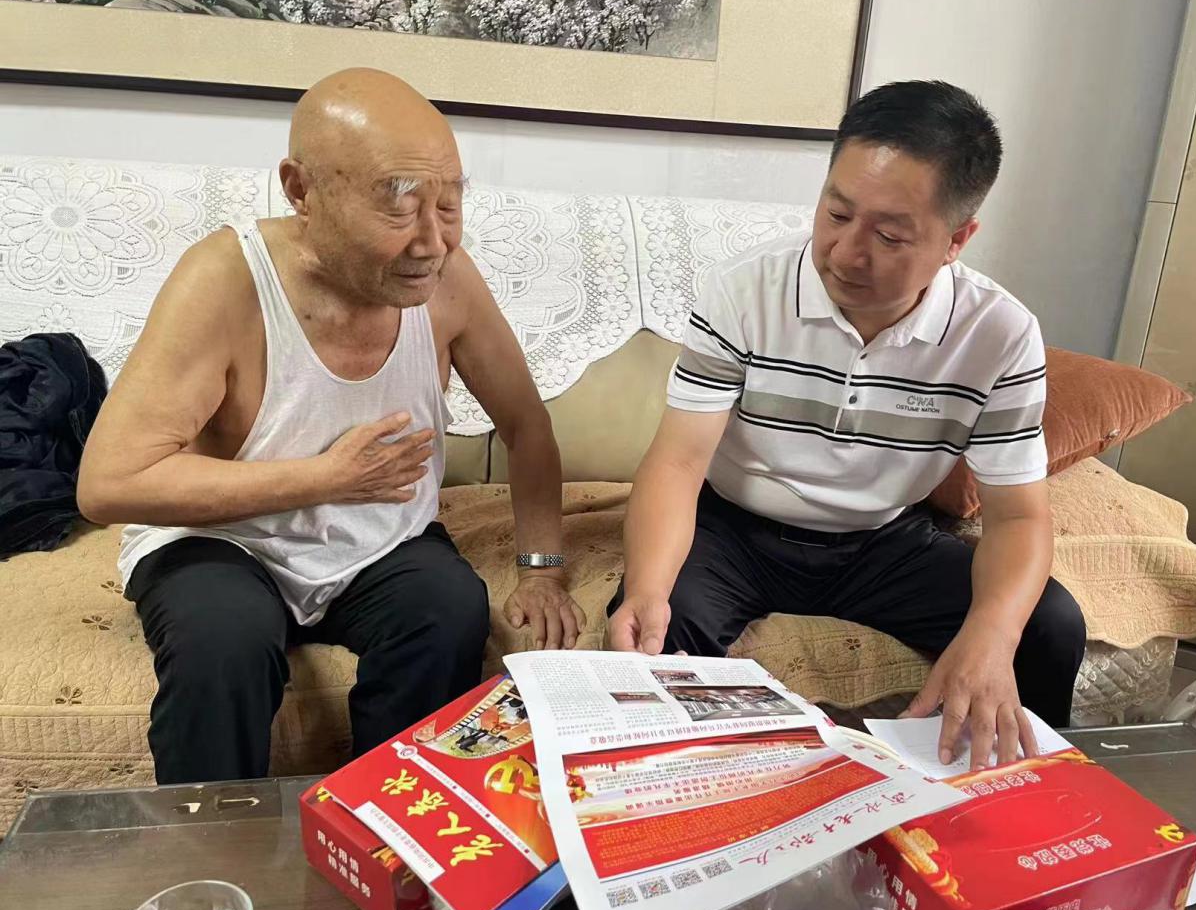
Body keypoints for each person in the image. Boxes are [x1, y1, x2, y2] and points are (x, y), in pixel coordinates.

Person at [78, 68, 583, 784]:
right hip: (223, 542)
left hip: (381, 544)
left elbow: (526, 425)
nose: (431, 242)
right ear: (301, 190)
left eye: (449, 204)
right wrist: (326, 478)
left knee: (447, 608)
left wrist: (542, 570)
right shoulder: (225, 279)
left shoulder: (448, 279)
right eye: (399, 205)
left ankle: (385, 827)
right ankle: (212, 846)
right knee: (223, 639)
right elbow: (109, 483)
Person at [609, 80, 1086, 769]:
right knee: (656, 631)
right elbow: (678, 462)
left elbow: (1018, 516)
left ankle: (1011, 802)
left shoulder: (999, 334)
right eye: (835, 213)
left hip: (882, 543)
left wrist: (993, 633)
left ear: (957, 239)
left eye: (889, 236)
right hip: (734, 531)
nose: (843, 253)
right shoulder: (746, 289)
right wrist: (648, 587)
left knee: (1047, 624)